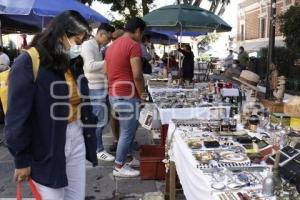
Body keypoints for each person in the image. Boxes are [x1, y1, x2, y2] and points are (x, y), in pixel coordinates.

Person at [4, 11, 97, 200]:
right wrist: (21, 159)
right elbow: (16, 118)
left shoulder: (71, 63)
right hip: (46, 144)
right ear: (60, 34)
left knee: (76, 197)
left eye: (81, 42)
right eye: (76, 41)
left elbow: (82, 99)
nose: (77, 46)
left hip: (76, 136)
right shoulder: (29, 62)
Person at [105, 17, 148, 178]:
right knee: (128, 132)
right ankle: (119, 165)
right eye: (142, 33)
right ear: (138, 31)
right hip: (127, 95)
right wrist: (143, 95)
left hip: (113, 94)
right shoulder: (133, 46)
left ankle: (128, 159)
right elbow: (137, 75)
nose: (141, 36)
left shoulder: (111, 46)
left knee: (126, 130)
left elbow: (106, 72)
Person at [81, 23, 115, 162]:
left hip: (102, 86)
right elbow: (89, 66)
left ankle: (95, 147)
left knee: (104, 119)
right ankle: (97, 149)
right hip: (95, 88)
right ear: (101, 34)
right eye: (108, 37)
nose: (109, 40)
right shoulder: (88, 45)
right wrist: (108, 62)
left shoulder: (99, 46)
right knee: (99, 121)